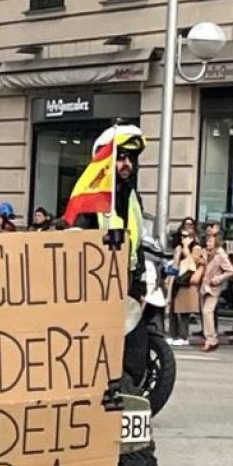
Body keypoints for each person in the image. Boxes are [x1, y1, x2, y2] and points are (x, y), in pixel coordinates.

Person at [71, 124, 149, 385]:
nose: (126, 164)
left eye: (130, 158)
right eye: (120, 157)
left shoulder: (132, 196)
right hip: (97, 285)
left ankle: (128, 390)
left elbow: (138, 243)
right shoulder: (91, 198)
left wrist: (141, 283)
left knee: (135, 344)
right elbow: (76, 239)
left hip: (126, 282)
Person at [199, 233, 233, 351]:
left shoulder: (221, 255)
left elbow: (230, 271)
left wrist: (217, 279)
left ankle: (211, 339)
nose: (208, 244)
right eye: (207, 241)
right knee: (205, 312)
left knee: (207, 311)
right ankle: (209, 338)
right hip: (204, 285)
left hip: (213, 287)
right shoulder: (204, 252)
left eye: (210, 242)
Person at [169, 229, 203, 345]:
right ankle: (173, 334)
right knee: (173, 309)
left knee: (183, 311)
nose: (182, 238)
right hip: (178, 280)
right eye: (181, 236)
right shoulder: (178, 248)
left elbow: (192, 263)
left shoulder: (196, 248)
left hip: (187, 282)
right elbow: (175, 265)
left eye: (185, 236)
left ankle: (183, 336)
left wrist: (186, 248)